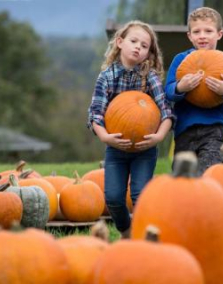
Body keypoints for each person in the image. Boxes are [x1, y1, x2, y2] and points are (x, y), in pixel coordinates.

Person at [87, 20, 174, 238]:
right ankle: (127, 232)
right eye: (133, 41)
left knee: (140, 195)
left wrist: (159, 137)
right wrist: (106, 137)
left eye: (144, 46)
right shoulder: (106, 77)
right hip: (116, 148)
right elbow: (96, 113)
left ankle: (146, 235)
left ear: (148, 53)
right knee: (114, 198)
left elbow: (167, 112)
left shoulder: (149, 77)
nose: (138, 47)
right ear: (120, 42)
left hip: (144, 149)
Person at [165, 7, 223, 176]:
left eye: (208, 31)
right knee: (183, 177)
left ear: (219, 34)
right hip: (184, 129)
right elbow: (167, 92)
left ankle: (208, 201)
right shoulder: (181, 60)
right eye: (197, 31)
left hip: (214, 128)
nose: (202, 35)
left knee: (209, 172)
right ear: (190, 36)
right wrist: (181, 87)